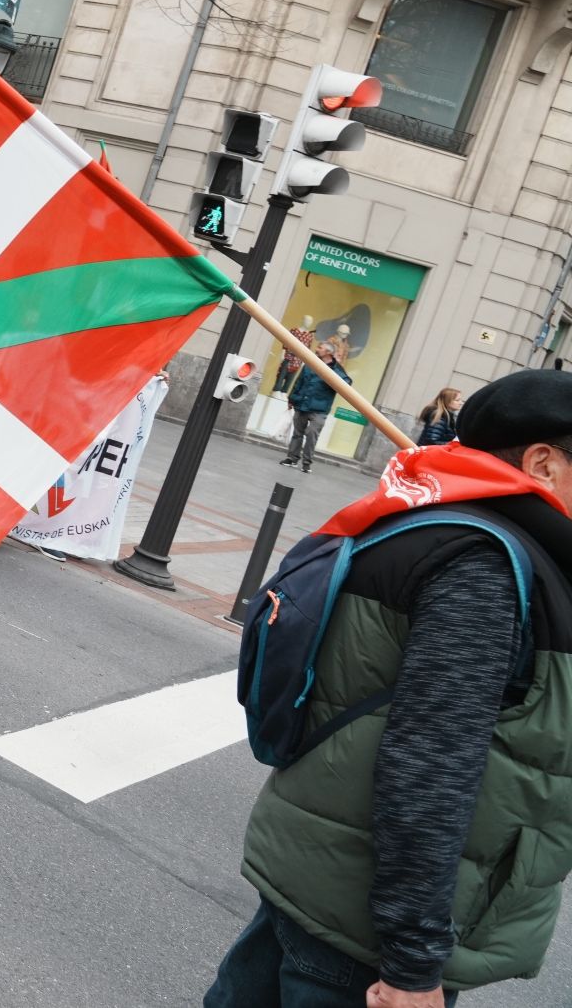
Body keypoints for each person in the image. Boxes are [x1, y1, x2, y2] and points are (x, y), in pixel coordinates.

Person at [206, 368, 572, 1008]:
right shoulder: (485, 563)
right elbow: (432, 763)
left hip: (320, 878)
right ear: (542, 461)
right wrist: (411, 962)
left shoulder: (427, 516)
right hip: (368, 937)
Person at [281, 341, 351, 473]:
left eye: (320, 348)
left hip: (320, 409)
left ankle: (306, 464)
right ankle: (292, 458)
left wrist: (332, 378)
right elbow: (299, 382)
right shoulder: (310, 363)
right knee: (297, 433)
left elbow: (346, 383)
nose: (317, 349)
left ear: (328, 352)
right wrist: (292, 399)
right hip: (301, 404)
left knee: (312, 434)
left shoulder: (336, 369)